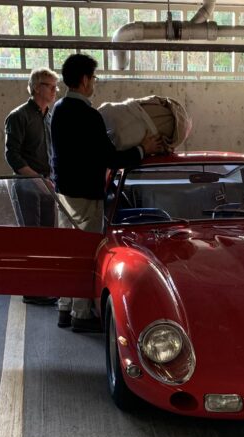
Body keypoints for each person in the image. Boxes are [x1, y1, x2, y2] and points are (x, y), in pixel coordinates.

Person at [51, 54, 164, 331]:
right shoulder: (89, 116)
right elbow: (109, 157)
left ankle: (65, 309)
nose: (95, 84)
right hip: (87, 194)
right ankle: (81, 315)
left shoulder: (58, 109)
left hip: (63, 191)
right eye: (94, 78)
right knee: (88, 252)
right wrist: (142, 150)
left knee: (68, 250)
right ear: (85, 79)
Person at [4, 67, 60, 306]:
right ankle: (31, 289)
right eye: (51, 86)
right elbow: (12, 156)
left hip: (48, 183)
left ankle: (43, 285)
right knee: (31, 238)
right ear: (38, 87)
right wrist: (36, 178)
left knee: (47, 238)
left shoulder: (49, 116)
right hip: (27, 184)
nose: (56, 90)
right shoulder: (18, 116)